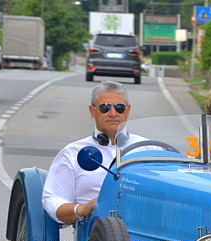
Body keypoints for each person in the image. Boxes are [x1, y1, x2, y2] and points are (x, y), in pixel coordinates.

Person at [42, 81, 145, 223]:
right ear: (92, 111)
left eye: (119, 108)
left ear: (127, 111)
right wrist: (81, 209)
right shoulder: (72, 153)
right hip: (95, 235)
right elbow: (52, 199)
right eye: (105, 108)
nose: (113, 113)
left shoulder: (149, 149)